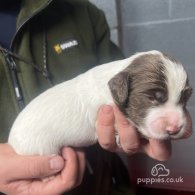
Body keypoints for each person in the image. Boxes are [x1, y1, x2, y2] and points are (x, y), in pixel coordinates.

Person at [0, 0, 192, 195]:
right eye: (156, 98)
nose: (177, 122)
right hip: (36, 150)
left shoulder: (84, 13)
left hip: (105, 182)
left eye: (182, 101)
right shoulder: (110, 86)